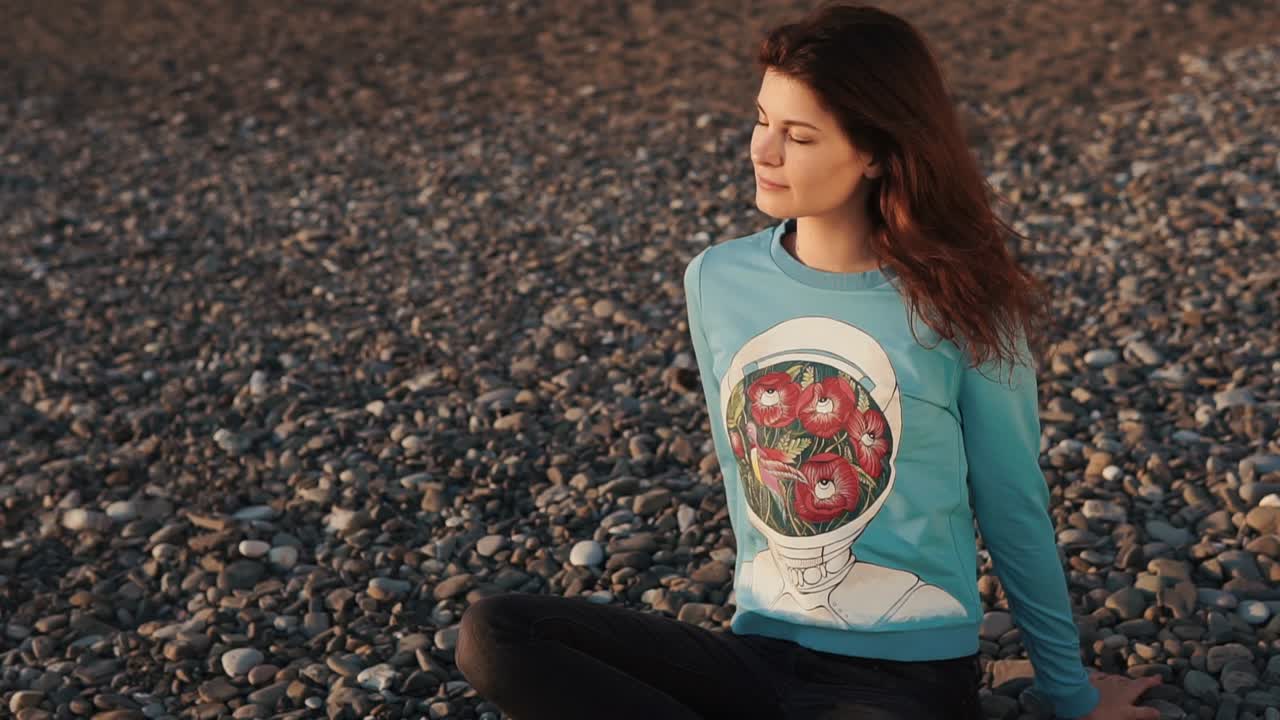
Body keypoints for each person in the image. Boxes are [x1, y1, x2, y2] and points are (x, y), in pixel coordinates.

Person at [456, 3, 1163, 718]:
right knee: (499, 636)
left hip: (904, 683)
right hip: (757, 657)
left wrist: (1070, 693)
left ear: (878, 152)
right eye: (763, 120)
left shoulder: (965, 302)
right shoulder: (717, 281)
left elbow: (1012, 503)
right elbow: (747, 479)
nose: (762, 151)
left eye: (798, 135)